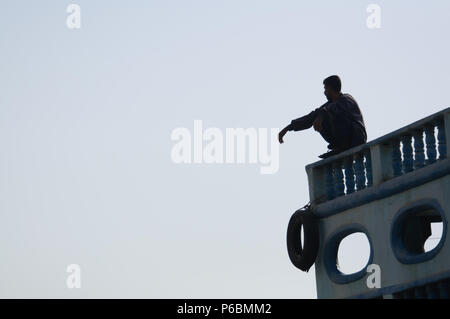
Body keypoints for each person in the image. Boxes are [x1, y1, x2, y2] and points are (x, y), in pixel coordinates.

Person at [279, 75, 367, 159]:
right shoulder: (329, 105)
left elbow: (333, 109)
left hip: (356, 138)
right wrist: (288, 128)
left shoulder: (347, 99)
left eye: (325, 88)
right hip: (346, 140)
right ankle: (338, 146)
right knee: (318, 115)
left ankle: (342, 146)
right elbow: (312, 116)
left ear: (331, 88)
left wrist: (321, 116)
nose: (324, 92)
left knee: (326, 115)